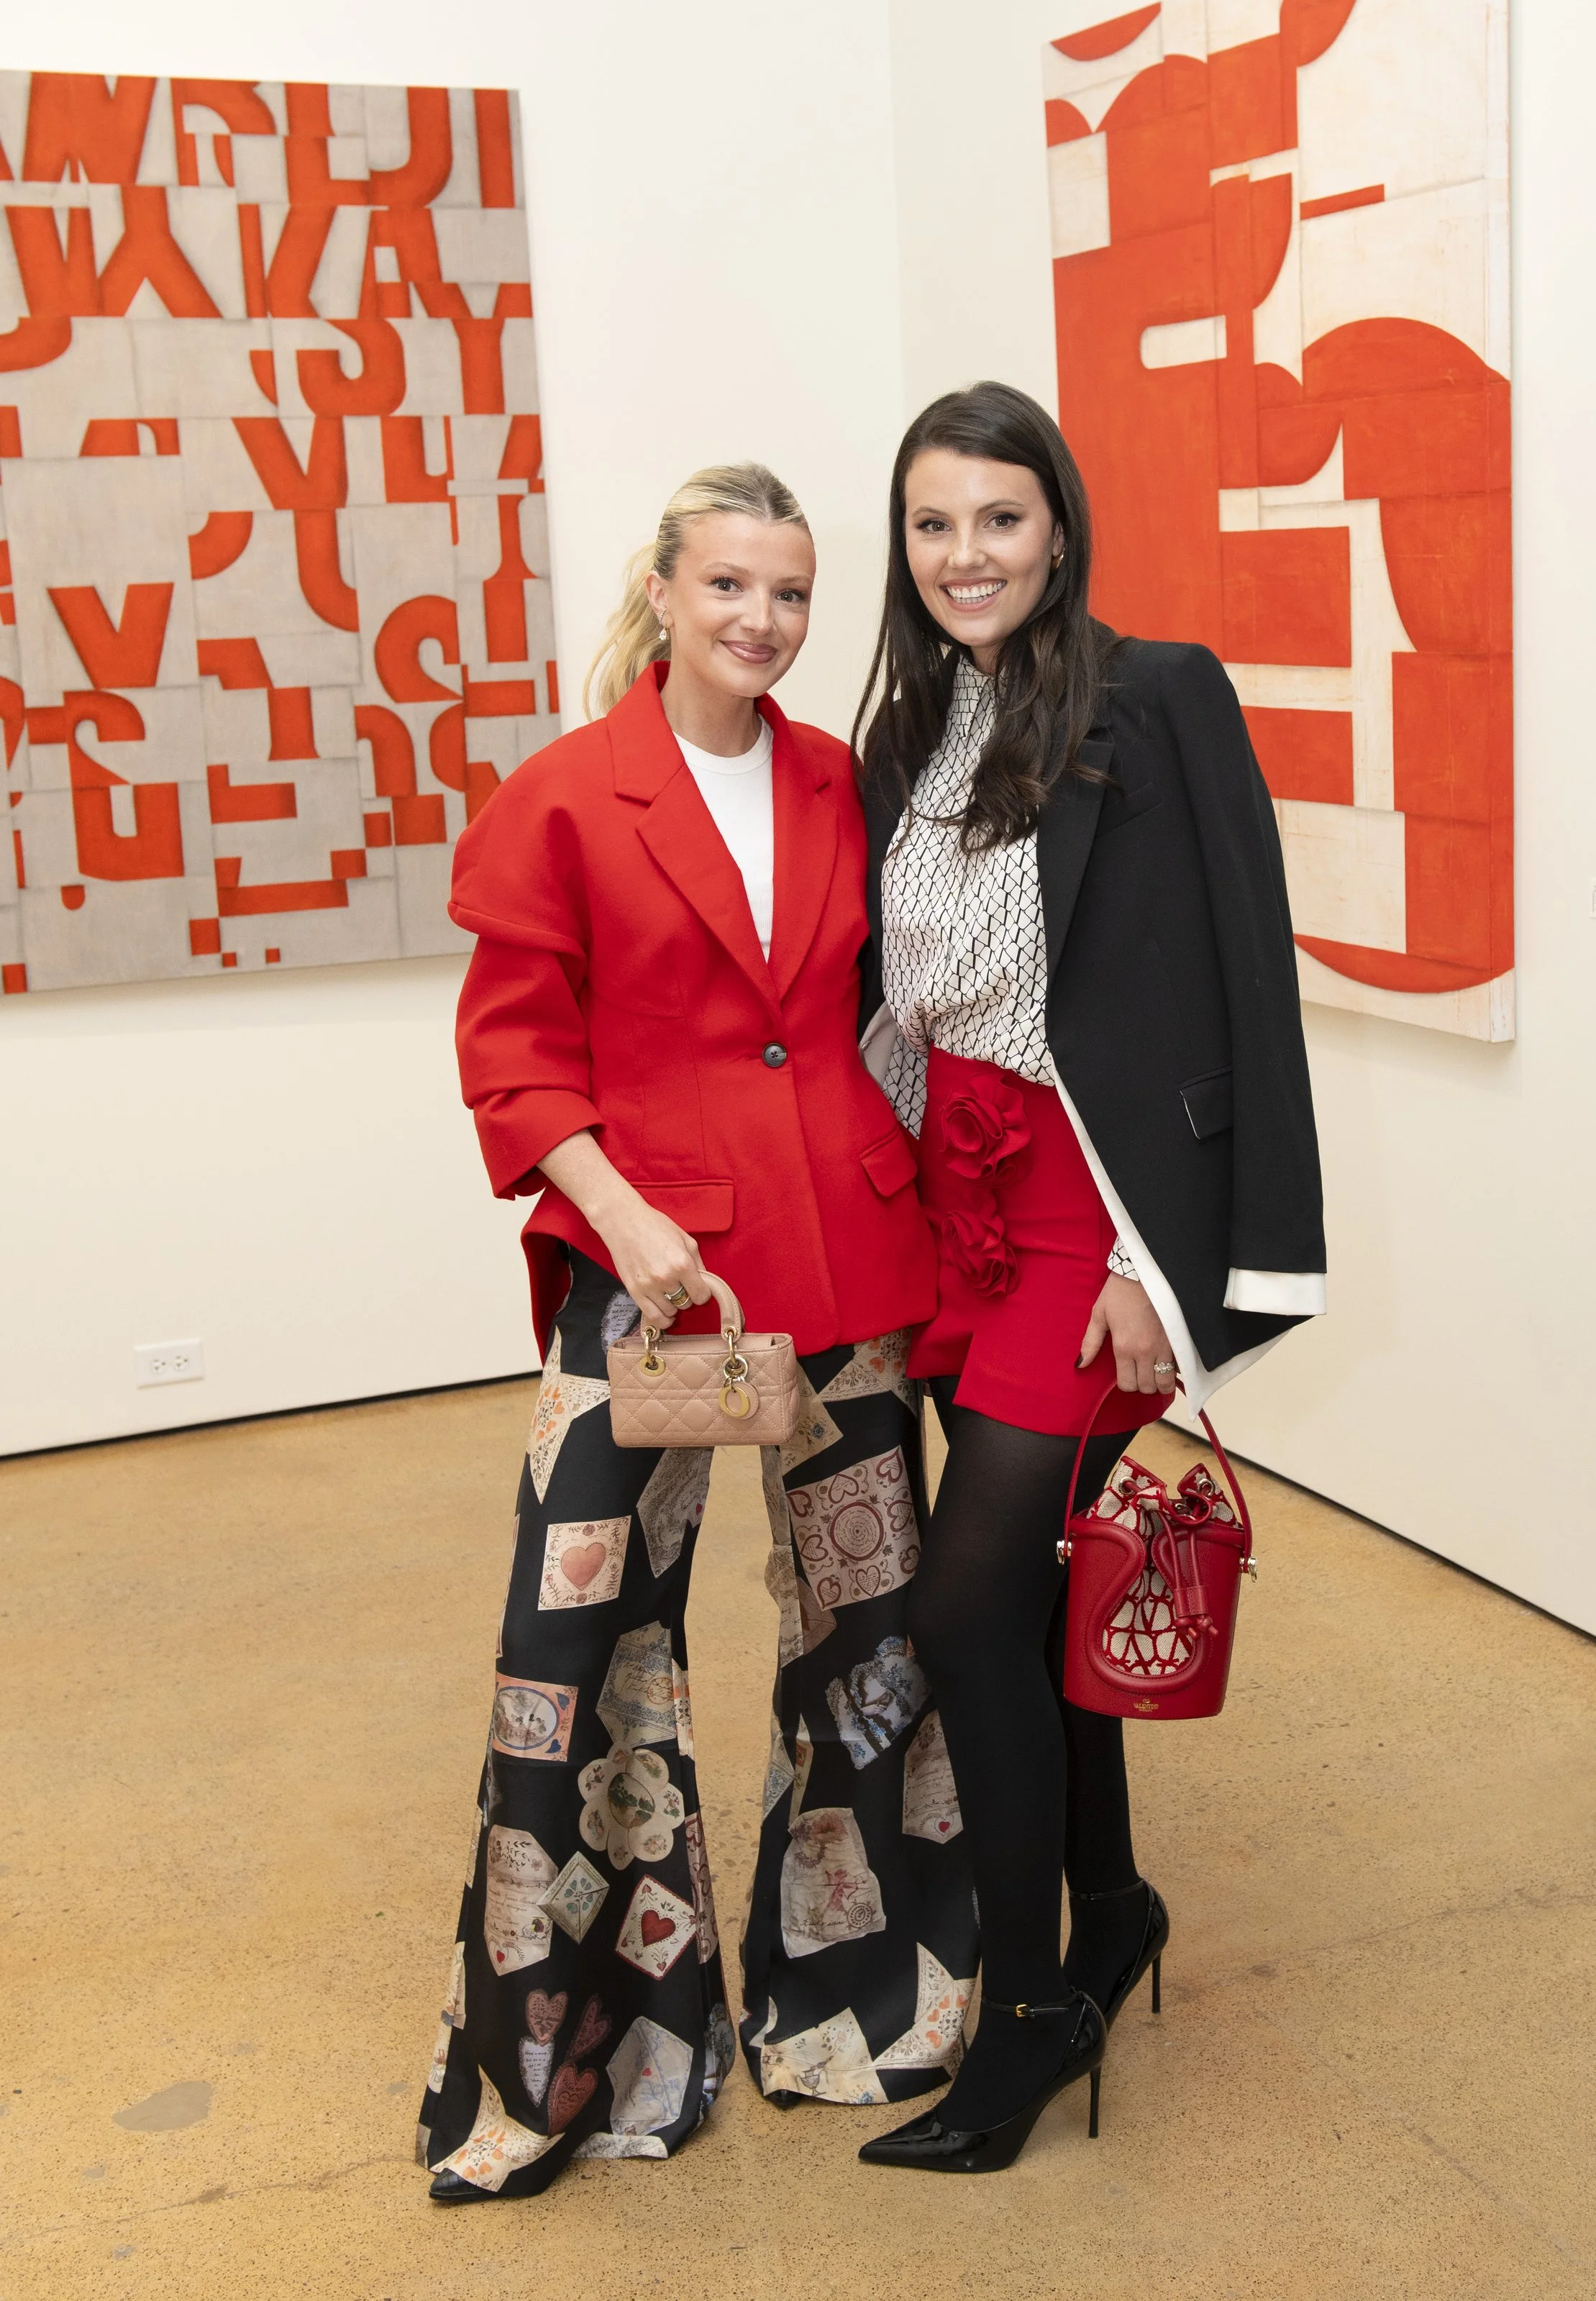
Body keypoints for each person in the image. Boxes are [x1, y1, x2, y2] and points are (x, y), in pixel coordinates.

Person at [419, 464, 974, 2200]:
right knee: (575, 1669)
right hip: (652, 1286)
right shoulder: (565, 800)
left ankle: (854, 2008)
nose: (761, 620)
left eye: (791, 593)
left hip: (848, 1271)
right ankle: (583, 2061)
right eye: (728, 584)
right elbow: (514, 1056)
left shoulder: (839, 780)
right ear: (662, 590)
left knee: (866, 1651)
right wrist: (631, 1218)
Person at [852, 383, 1326, 2173]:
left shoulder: (1157, 694)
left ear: (1057, 524)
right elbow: (889, 998)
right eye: (930, 526)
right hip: (952, 1205)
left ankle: (1030, 2009)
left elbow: (1237, 974)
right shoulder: (902, 734)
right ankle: (1111, 1904)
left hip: (1086, 1204)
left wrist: (1159, 1258)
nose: (965, 556)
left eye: (997, 518)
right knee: (1031, 1592)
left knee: (966, 1604)